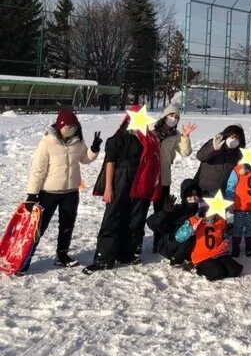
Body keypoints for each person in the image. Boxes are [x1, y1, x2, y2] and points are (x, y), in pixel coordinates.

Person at [83, 105, 161, 274]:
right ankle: (104, 258)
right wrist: (108, 188)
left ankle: (127, 253)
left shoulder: (148, 138)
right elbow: (110, 163)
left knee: (134, 220)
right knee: (113, 218)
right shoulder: (119, 137)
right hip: (120, 181)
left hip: (140, 184)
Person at [21, 108, 101, 272]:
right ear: (60, 125)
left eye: (73, 125)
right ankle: (24, 258)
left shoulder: (77, 141)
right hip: (48, 193)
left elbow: (84, 159)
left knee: (67, 224)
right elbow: (38, 169)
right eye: (67, 125)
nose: (70, 128)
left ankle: (62, 255)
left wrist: (93, 149)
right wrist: (32, 195)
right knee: (39, 227)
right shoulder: (47, 142)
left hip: (71, 192)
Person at [147, 105, 197, 253]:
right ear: (164, 116)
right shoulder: (150, 129)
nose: (173, 119)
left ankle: (158, 241)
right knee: (140, 208)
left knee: (162, 210)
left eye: (176, 117)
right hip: (147, 176)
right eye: (171, 115)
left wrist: (185, 136)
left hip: (164, 178)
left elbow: (185, 152)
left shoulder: (176, 135)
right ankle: (136, 242)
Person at [174, 204, 243, 281]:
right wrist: (191, 229)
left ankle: (220, 265)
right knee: (217, 273)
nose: (211, 214)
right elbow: (178, 237)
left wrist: (226, 240)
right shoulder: (194, 220)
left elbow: (224, 234)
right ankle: (199, 267)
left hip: (218, 252)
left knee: (235, 271)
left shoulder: (221, 220)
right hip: (202, 256)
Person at [146, 178, 204, 267]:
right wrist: (164, 213)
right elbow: (151, 223)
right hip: (170, 245)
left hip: (189, 248)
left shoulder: (201, 211)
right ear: (184, 197)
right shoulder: (177, 210)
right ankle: (176, 260)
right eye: (189, 196)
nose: (193, 198)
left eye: (195, 196)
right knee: (188, 236)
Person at [194, 125, 245, 198]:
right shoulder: (215, 142)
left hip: (221, 195)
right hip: (203, 191)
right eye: (232, 137)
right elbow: (200, 156)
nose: (234, 140)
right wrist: (213, 149)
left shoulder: (237, 153)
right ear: (226, 135)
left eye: (237, 139)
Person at [224, 162, 251, 257]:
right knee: (238, 227)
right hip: (239, 206)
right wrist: (230, 200)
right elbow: (230, 185)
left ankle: (249, 246)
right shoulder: (237, 170)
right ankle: (236, 246)